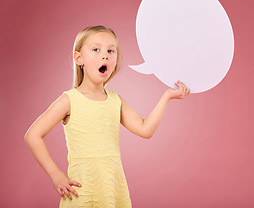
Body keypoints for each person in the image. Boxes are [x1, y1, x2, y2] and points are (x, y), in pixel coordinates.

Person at [24, 25, 190, 207]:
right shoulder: (69, 100)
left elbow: (145, 129)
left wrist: (167, 97)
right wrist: (55, 174)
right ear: (79, 58)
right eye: (96, 49)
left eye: (111, 51)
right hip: (82, 192)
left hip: (112, 190)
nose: (105, 55)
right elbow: (33, 135)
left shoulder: (115, 100)